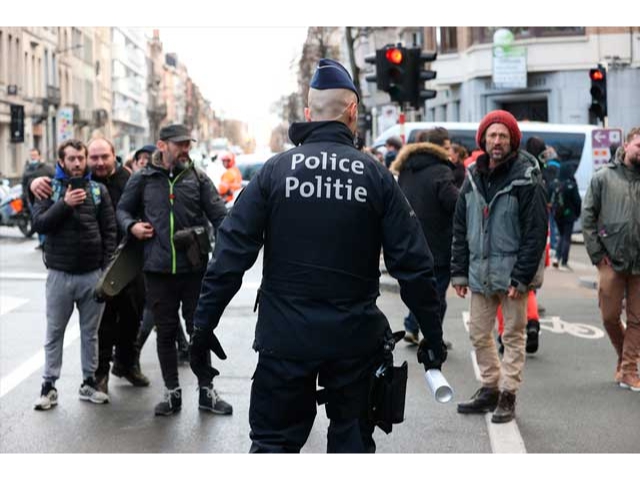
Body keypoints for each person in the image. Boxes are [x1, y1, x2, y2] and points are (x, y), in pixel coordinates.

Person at [189, 58, 446, 453]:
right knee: (351, 445)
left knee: (274, 445)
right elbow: (413, 264)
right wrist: (432, 332)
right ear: (353, 112)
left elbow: (229, 256)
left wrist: (203, 328)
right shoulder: (375, 176)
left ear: (308, 114)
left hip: (285, 340)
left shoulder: (274, 173)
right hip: (354, 341)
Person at [117, 123, 230, 416]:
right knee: (166, 333)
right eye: (180, 144)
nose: (185, 149)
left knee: (200, 331)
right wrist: (132, 226)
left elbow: (220, 216)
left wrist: (225, 255)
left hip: (194, 271)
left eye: (187, 144)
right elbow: (122, 210)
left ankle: (207, 391)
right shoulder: (143, 178)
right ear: (162, 144)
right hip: (157, 271)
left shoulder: (197, 178)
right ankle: (172, 393)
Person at [30, 138, 151, 394]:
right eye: (93, 158)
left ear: (114, 156)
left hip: (127, 262)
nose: (98, 162)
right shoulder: (60, 185)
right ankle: (97, 376)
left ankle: (127, 365)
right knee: (97, 327)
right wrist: (35, 183)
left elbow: (122, 221)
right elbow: (40, 219)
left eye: (103, 157)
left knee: (132, 317)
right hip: (83, 269)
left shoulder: (128, 179)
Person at [451, 110, 548, 423]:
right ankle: (490, 388)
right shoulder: (472, 178)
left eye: (503, 136)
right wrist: (459, 271)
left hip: (512, 277)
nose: (497, 141)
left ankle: (508, 394)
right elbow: (460, 228)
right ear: (482, 139)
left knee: (513, 337)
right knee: (479, 334)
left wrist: (521, 277)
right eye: (492, 135)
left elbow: (535, 232)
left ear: (512, 141)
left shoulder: (526, 177)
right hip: (479, 274)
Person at [31, 139, 117, 410]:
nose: (78, 163)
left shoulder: (98, 190)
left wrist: (105, 270)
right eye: (72, 159)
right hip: (59, 274)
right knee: (54, 332)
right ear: (61, 161)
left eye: (81, 158)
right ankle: (48, 385)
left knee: (90, 333)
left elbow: (109, 232)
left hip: (92, 275)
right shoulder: (49, 189)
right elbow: (40, 224)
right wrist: (65, 204)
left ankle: (89, 383)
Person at [582, 127, 640, 391]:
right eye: (638, 145)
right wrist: (597, 255)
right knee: (609, 316)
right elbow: (588, 217)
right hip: (610, 260)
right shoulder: (603, 177)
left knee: (638, 319)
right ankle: (623, 357)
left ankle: (629, 370)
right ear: (627, 145)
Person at [390, 127, 458, 348]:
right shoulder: (441, 170)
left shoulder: (407, 168)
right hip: (438, 242)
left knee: (420, 286)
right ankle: (432, 339)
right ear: (437, 147)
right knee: (437, 293)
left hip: (411, 239)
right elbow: (453, 204)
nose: (450, 151)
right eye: (447, 147)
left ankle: (412, 326)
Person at [549, 162, 582, 271]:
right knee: (566, 237)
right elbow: (577, 201)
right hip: (569, 215)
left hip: (557, 214)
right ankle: (564, 261)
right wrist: (577, 213)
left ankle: (557, 258)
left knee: (561, 235)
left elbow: (549, 197)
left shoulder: (554, 183)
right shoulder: (571, 185)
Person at [21, 147, 54, 249]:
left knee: (45, 220)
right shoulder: (27, 170)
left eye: (35, 155)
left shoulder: (47, 168)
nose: (33, 157)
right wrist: (25, 197)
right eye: (31, 155)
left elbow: (55, 178)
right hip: (32, 200)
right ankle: (42, 242)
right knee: (36, 221)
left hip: (45, 199)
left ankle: (46, 242)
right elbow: (24, 184)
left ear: (39, 156)